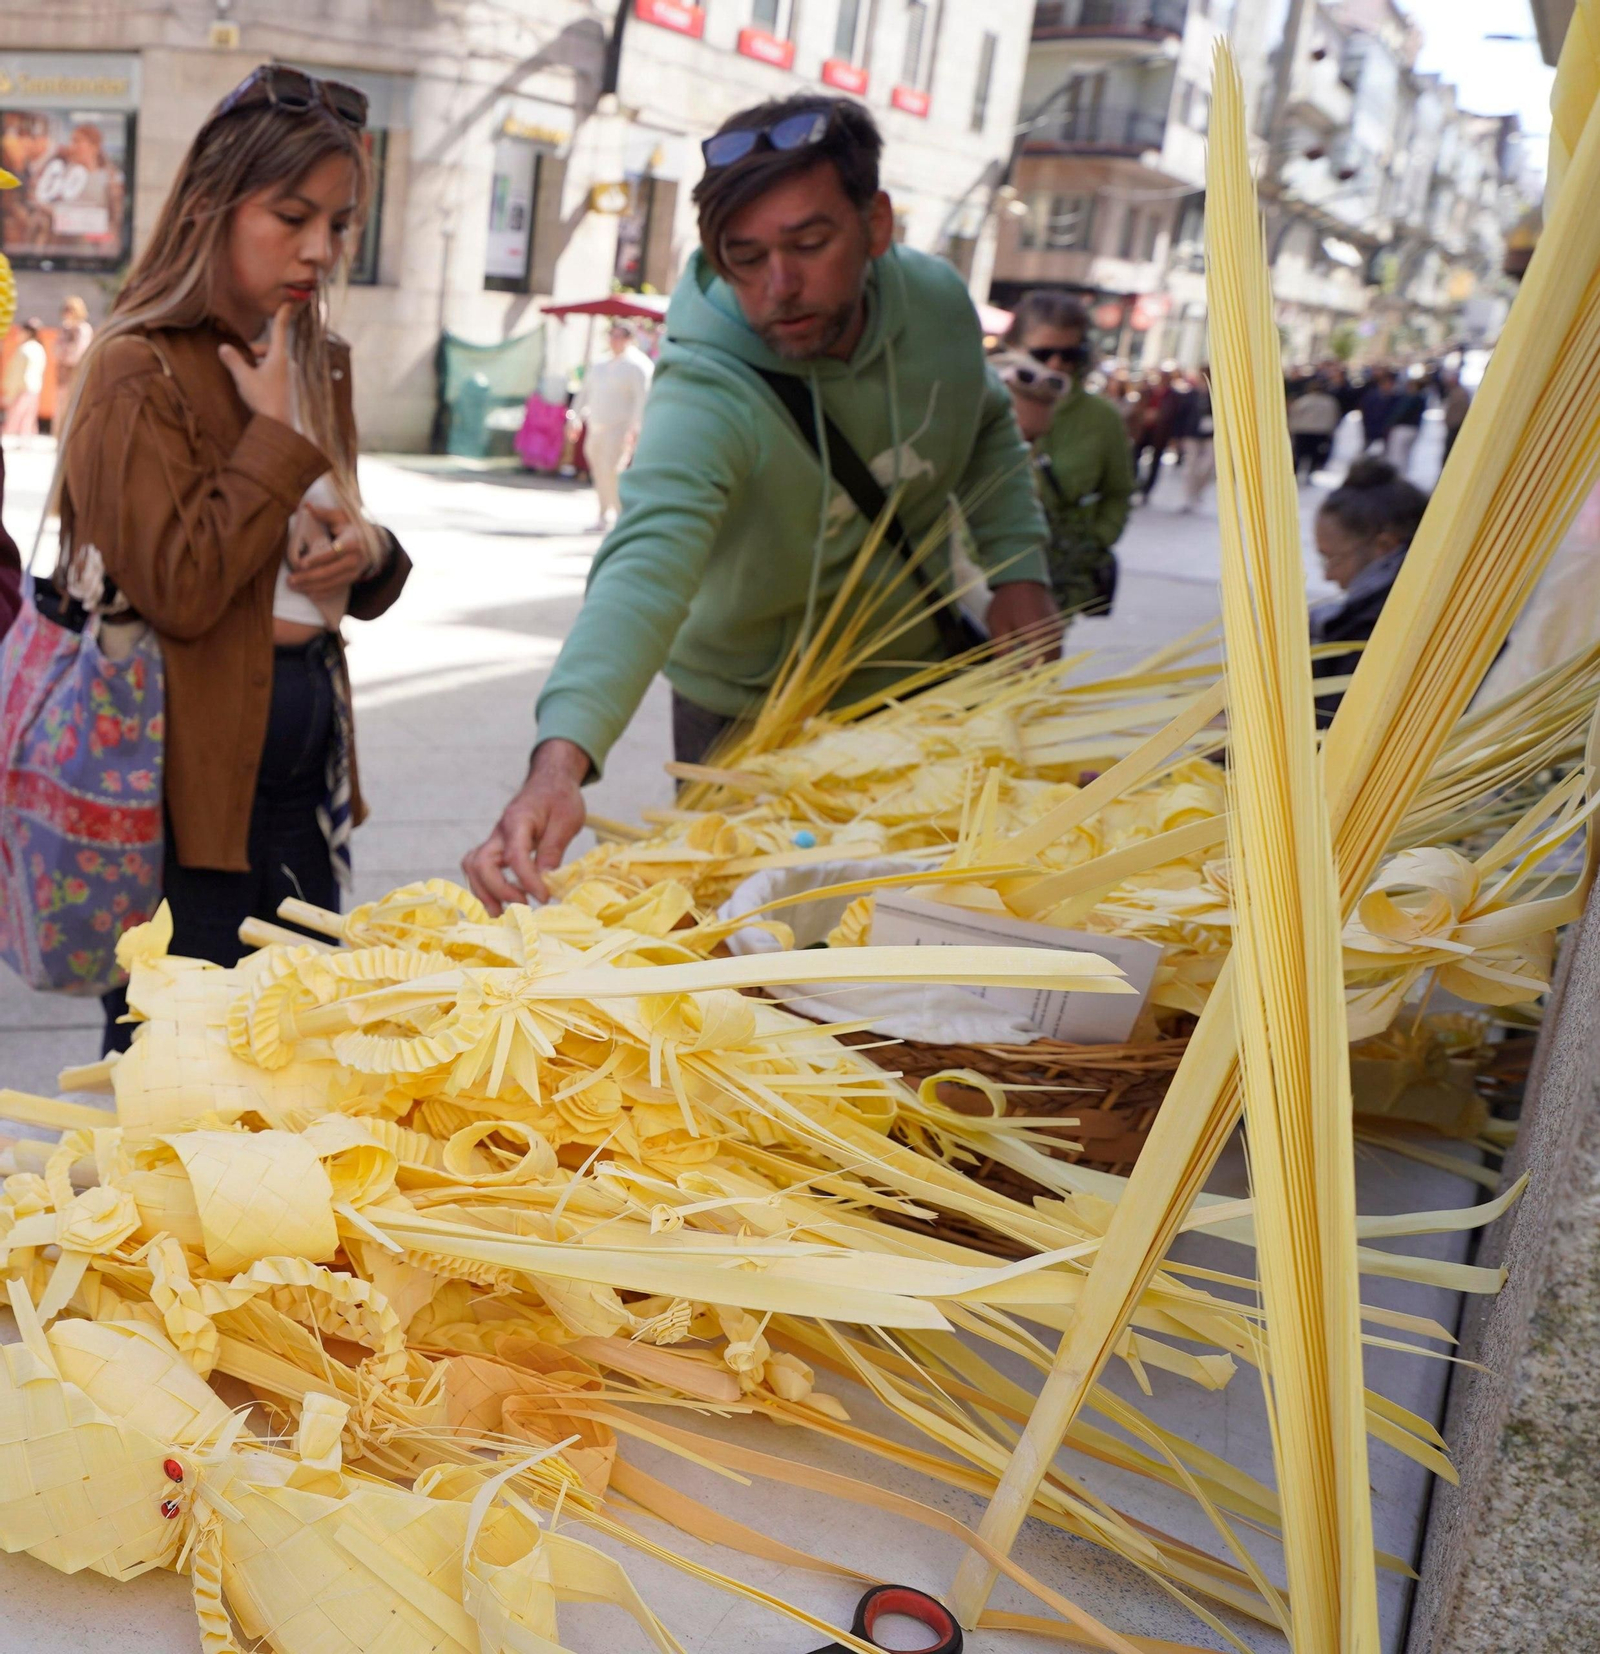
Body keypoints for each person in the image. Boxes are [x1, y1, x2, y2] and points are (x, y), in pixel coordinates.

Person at [463, 93, 1056, 912]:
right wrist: (558, 766)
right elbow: (647, 563)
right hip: (743, 710)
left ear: (876, 224)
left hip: (915, 682)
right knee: (748, 936)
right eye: (744, 258)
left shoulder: (939, 306)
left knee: (920, 918)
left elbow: (985, 418)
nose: (777, 285)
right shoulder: (709, 380)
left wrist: (1020, 570)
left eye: (810, 243)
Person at [52, 64, 411, 1049]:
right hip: (181, 805)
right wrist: (269, 433)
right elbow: (182, 588)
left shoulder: (312, 351)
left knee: (296, 1061)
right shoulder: (138, 364)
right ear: (210, 208)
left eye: (338, 224)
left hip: (305, 789)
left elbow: (350, 554)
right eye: (291, 215)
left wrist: (366, 549)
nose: (319, 249)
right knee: (180, 1072)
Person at [1001, 292, 1133, 617]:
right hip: (975, 570)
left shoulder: (1100, 418)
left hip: (1054, 578)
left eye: (1069, 354)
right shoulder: (981, 399)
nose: (1056, 365)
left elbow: (1119, 492)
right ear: (1015, 346)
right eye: (1043, 353)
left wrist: (1094, 541)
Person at [1309, 456, 1429, 724]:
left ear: (1384, 545)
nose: (1328, 575)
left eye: (1332, 559)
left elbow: (1332, 722)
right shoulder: (1378, 605)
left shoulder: (1389, 623)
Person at [573, 321, 654, 531]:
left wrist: (636, 428)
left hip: (620, 428)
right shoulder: (600, 365)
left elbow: (642, 400)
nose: (614, 340)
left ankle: (621, 516)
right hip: (596, 426)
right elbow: (585, 394)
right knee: (599, 471)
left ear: (629, 339)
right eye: (612, 335)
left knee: (614, 472)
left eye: (619, 336)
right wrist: (575, 418)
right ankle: (603, 513)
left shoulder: (638, 365)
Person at [1173, 369, 1215, 512]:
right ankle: (1188, 497)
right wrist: (1177, 436)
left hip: (1210, 435)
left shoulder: (1216, 394)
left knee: (1207, 465)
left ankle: (1198, 491)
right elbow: (1181, 415)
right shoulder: (1191, 394)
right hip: (1191, 434)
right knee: (1190, 465)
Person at [1286, 375, 1341, 482]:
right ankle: (1308, 473)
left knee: (1299, 454)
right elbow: (1334, 416)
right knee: (1313, 455)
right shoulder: (1329, 402)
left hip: (1303, 431)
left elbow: (1294, 415)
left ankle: (1295, 474)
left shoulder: (1303, 401)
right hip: (1320, 432)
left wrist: (1291, 428)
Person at [2, 318, 46, 439]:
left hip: (21, 388)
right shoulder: (39, 348)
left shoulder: (25, 349)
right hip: (34, 389)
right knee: (28, 420)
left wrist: (10, 391)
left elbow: (17, 374)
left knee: (14, 419)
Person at [55, 295, 94, 408]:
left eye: (70, 309)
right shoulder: (65, 328)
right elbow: (56, 349)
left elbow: (80, 352)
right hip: (64, 372)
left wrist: (67, 355)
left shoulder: (83, 329)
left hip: (76, 372)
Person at [1385, 370, 1425, 475]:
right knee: (1405, 455)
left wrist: (1390, 423)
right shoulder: (1420, 398)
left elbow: (1400, 413)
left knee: (1398, 455)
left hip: (1404, 429)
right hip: (1413, 429)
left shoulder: (1411, 398)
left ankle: (1397, 475)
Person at [1442, 370, 1470, 462]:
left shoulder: (1460, 393)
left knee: (1450, 449)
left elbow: (1462, 409)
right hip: (1452, 425)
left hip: (1455, 425)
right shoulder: (1453, 392)